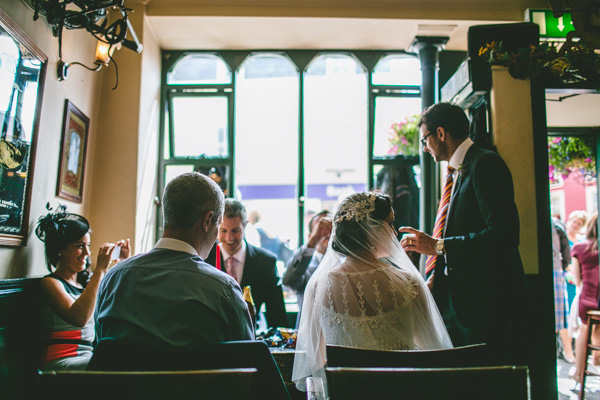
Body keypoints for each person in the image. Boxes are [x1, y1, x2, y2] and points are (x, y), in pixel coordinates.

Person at [399, 102, 529, 365]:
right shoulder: (457, 172)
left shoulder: (485, 164)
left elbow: (504, 234)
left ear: (441, 133)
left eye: (426, 139)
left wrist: (438, 246)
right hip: (457, 302)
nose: (425, 148)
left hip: (487, 305)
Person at [292, 192, 452, 392]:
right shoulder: (408, 283)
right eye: (390, 224)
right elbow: (432, 353)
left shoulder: (319, 286)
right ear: (373, 230)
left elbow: (316, 362)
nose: (394, 233)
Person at [95, 173, 254, 346]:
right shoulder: (223, 290)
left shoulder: (112, 279)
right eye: (219, 225)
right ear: (207, 221)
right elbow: (247, 361)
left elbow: (99, 349)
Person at [35, 204, 129, 371]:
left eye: (88, 245)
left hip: (87, 358)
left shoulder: (85, 284)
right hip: (59, 362)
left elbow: (116, 301)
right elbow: (79, 318)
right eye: (80, 246)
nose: (87, 253)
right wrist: (100, 269)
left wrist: (122, 262)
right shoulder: (50, 283)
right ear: (60, 250)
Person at [205, 199, 288, 328]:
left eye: (235, 231)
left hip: (251, 337)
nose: (229, 238)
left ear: (245, 225)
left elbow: (277, 314)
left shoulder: (266, 262)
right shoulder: (204, 259)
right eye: (223, 231)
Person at [282, 210, 332, 328]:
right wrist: (312, 243)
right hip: (308, 331)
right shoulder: (305, 266)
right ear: (310, 236)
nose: (327, 233)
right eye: (321, 229)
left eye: (331, 228)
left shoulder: (348, 262)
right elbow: (288, 281)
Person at [572, 213, 600, 378]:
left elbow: (577, 280)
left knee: (584, 330)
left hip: (588, 300)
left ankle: (579, 372)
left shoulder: (580, 248)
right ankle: (596, 358)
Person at [552, 217, 575, 363]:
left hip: (555, 270)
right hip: (555, 270)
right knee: (559, 317)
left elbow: (565, 249)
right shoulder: (556, 225)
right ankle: (566, 351)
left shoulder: (556, 225)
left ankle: (567, 351)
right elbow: (566, 250)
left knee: (559, 317)